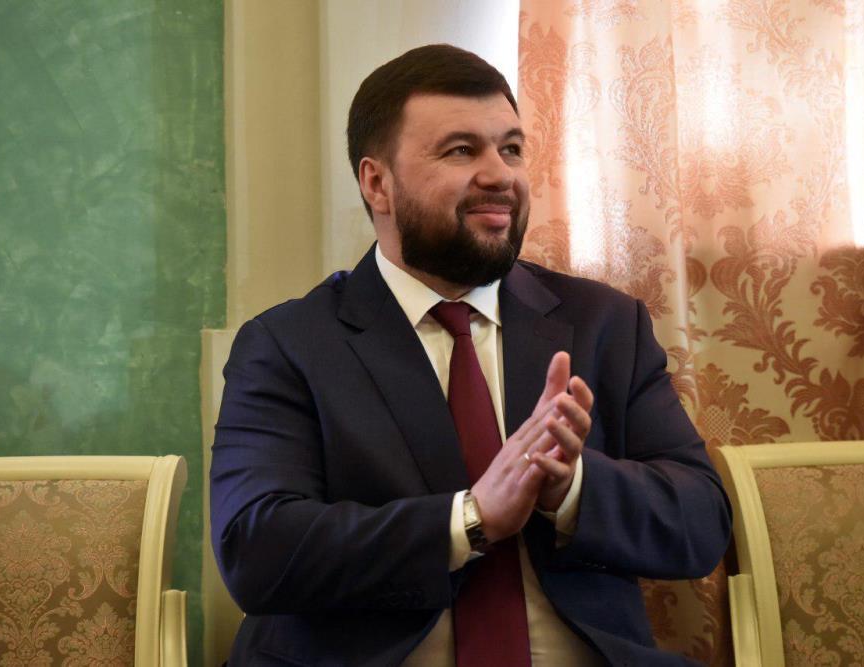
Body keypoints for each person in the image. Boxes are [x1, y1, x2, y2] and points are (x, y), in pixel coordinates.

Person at [210, 44, 731, 666]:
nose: (499, 175)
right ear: (377, 183)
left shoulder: (604, 324)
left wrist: (569, 489)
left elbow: (701, 522)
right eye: (461, 151)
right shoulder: (288, 345)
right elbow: (256, 550)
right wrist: (471, 519)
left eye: (511, 149)